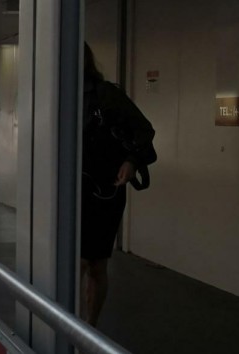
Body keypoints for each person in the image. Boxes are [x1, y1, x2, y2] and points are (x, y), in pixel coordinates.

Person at [80, 43, 156, 326]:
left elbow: (144, 130)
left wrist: (132, 161)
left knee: (94, 264)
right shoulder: (53, 94)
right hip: (68, 192)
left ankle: (88, 328)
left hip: (102, 193)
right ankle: (72, 328)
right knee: (76, 263)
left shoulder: (105, 94)